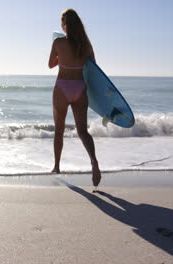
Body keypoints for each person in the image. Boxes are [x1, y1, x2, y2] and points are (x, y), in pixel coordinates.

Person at [48, 8, 101, 186]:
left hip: (62, 88)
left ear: (64, 25)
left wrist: (61, 58)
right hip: (79, 88)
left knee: (59, 130)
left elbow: (50, 64)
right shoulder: (86, 45)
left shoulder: (58, 42)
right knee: (82, 131)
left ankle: (56, 166)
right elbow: (94, 68)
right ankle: (93, 161)